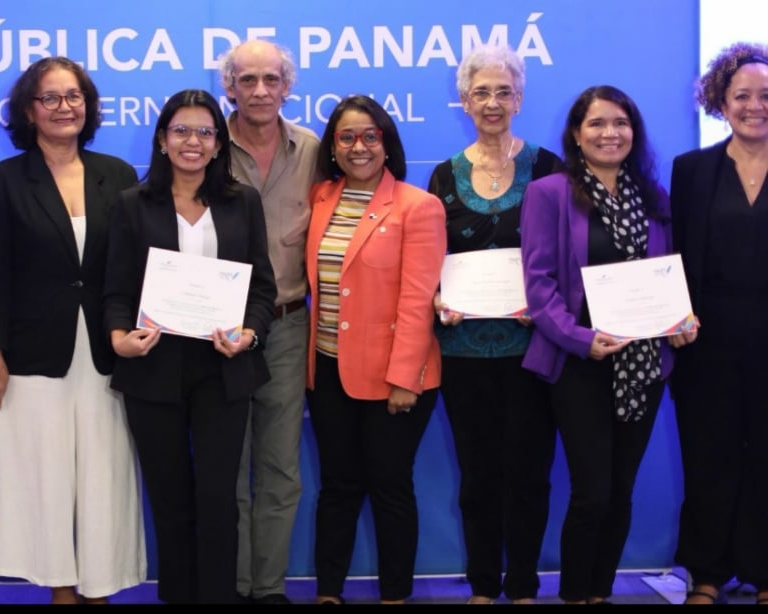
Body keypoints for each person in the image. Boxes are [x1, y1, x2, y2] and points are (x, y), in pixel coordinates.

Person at [0, 56, 146, 605]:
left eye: (74, 96)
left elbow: (135, 265)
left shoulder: (117, 174)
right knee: (43, 480)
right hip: (29, 354)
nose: (64, 107)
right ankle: (62, 593)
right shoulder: (3, 180)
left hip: (106, 351)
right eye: (51, 97)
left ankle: (100, 590)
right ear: (29, 109)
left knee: (105, 480)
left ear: (88, 106)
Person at [519, 85, 697, 604]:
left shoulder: (653, 196)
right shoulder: (549, 192)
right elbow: (540, 284)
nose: (609, 133)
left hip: (645, 364)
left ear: (633, 132)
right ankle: (576, 594)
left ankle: (600, 593)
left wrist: (680, 320)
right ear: (577, 134)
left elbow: (666, 277)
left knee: (620, 495)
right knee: (592, 493)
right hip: (581, 364)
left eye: (620, 123)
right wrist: (581, 339)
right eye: (596, 124)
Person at [103, 89, 276, 604]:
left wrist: (250, 332)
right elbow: (115, 289)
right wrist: (118, 338)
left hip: (223, 370)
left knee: (219, 499)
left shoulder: (241, 200)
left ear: (219, 144)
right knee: (171, 500)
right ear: (162, 139)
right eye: (181, 131)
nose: (193, 142)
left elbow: (261, 288)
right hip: (153, 369)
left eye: (205, 132)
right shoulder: (133, 204)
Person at [427, 44, 561, 604]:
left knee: (529, 475)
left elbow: (568, 259)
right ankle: (484, 585)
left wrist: (547, 300)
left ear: (520, 98)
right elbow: (428, 263)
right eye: (480, 92)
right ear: (463, 101)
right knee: (478, 477)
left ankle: (525, 585)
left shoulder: (549, 169)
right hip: (463, 351)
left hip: (535, 350)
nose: (492, 102)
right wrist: (438, 299)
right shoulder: (443, 176)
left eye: (503, 91)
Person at [306, 94, 446, 604]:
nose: (358, 146)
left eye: (370, 135)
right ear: (333, 147)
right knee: (338, 487)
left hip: (395, 377)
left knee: (390, 488)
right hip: (326, 369)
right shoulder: (320, 197)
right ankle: (327, 593)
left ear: (387, 143)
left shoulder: (419, 206)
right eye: (346, 137)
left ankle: (394, 596)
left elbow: (417, 299)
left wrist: (404, 377)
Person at [217, 39, 320, 605]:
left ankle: (270, 590)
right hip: (216, 333)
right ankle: (231, 588)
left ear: (288, 86)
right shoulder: (203, 144)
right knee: (227, 468)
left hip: (285, 326)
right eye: (247, 80)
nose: (260, 91)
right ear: (228, 87)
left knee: (280, 470)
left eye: (271, 80)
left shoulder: (315, 149)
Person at [669, 42, 768, 606]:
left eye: (765, 96)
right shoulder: (693, 170)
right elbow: (675, 256)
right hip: (707, 338)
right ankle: (706, 572)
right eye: (742, 95)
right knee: (709, 454)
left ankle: (764, 572)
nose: (755, 106)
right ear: (720, 101)